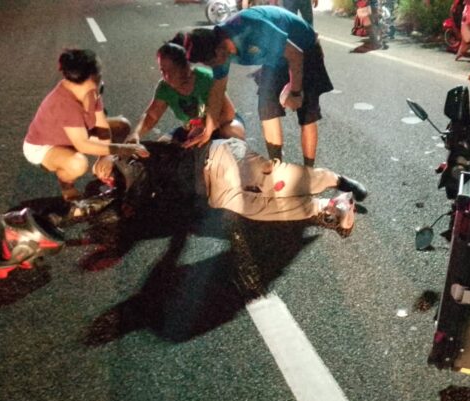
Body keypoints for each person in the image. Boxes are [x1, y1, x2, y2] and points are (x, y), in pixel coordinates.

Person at [107, 138, 368, 237]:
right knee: (260, 209)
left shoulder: (148, 153)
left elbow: (137, 160)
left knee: (272, 181)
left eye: (114, 174)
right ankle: (330, 206)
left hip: (218, 156)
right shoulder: (148, 193)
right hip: (215, 193)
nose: (113, 180)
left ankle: (335, 179)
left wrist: (114, 155)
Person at [182, 6, 333, 167]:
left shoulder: (253, 28)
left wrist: (295, 92)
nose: (213, 66)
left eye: (211, 62)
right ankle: (277, 166)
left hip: (304, 48)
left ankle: (309, 170)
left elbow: (295, 55)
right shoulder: (216, 49)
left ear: (220, 48)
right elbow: (217, 90)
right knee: (266, 109)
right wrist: (208, 129)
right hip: (275, 57)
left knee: (306, 113)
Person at [23, 48, 149, 202]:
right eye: (100, 71)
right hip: (45, 146)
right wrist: (123, 149)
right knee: (78, 164)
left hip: (76, 135)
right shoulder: (64, 103)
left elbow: (102, 126)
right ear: (91, 76)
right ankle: (67, 187)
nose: (102, 75)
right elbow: (82, 145)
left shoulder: (91, 90)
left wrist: (106, 156)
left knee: (121, 126)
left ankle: (101, 169)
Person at [125, 41, 246, 146]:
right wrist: (136, 133)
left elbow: (228, 112)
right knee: (163, 146)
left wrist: (206, 127)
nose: (167, 76)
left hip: (222, 122)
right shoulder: (164, 88)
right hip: (192, 128)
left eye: (171, 71)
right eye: (163, 71)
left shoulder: (206, 78)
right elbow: (151, 116)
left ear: (185, 66)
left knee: (231, 133)